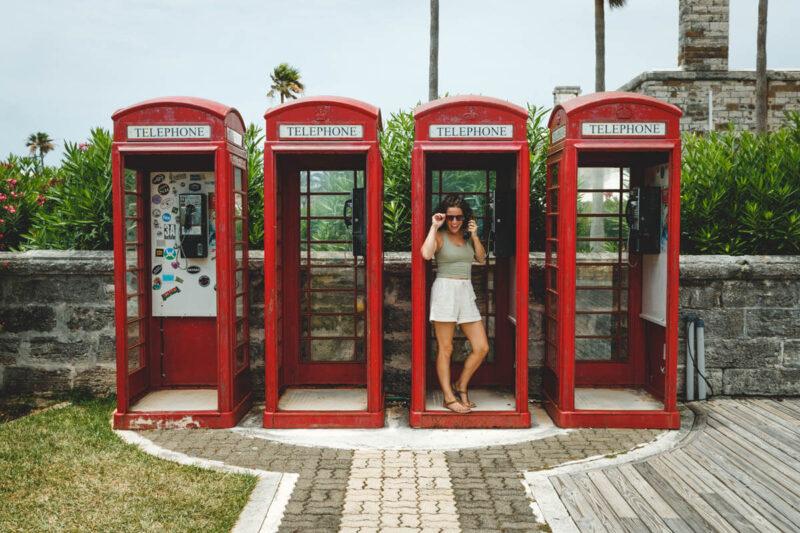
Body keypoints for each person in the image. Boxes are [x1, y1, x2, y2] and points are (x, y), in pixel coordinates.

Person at [420, 194, 489, 414]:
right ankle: (449, 398)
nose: (454, 222)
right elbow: (425, 254)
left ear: (465, 218)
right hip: (445, 291)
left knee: (481, 347)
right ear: (444, 217)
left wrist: (475, 235)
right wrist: (434, 226)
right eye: (450, 217)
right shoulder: (439, 235)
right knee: (446, 348)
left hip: (465, 292)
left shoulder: (468, 237)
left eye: (458, 217)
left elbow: (481, 258)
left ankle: (460, 384)